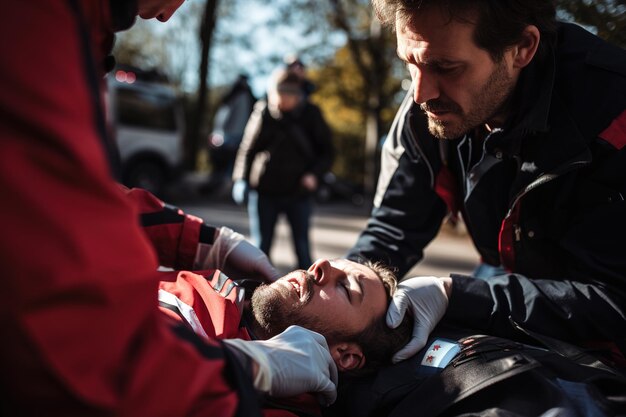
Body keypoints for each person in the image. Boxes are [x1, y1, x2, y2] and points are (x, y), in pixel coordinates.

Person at [0, 2, 337, 416]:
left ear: (348, 356)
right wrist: (239, 369)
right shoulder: (38, 23)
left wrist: (202, 239)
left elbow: (57, 197)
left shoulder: (61, 26)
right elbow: (79, 338)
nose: (167, 16)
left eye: (350, 288)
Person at [346, 0, 626, 368]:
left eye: (445, 67)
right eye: (409, 63)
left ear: (523, 48)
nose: (420, 94)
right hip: (506, 275)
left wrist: (459, 295)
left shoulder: (614, 112)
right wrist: (342, 287)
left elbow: (616, 302)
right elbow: (393, 229)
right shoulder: (427, 111)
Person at [156, 257, 412, 416]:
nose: (319, 266)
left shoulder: (278, 409)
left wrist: (248, 368)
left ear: (345, 356)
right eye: (332, 262)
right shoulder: (211, 279)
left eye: (345, 287)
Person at [232, 67, 334, 270]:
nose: (281, 99)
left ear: (298, 95)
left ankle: (310, 296)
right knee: (261, 248)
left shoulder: (311, 115)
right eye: (277, 93)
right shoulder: (263, 112)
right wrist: (240, 179)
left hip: (298, 192)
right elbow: (247, 149)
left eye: (287, 94)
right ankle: (257, 294)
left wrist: (314, 175)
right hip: (264, 191)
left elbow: (328, 152)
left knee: (302, 248)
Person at [205, 74, 257, 195]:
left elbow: (222, 118)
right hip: (232, 136)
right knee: (228, 164)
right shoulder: (243, 96)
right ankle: (225, 187)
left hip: (230, 136)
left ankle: (226, 187)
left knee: (227, 164)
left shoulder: (235, 96)